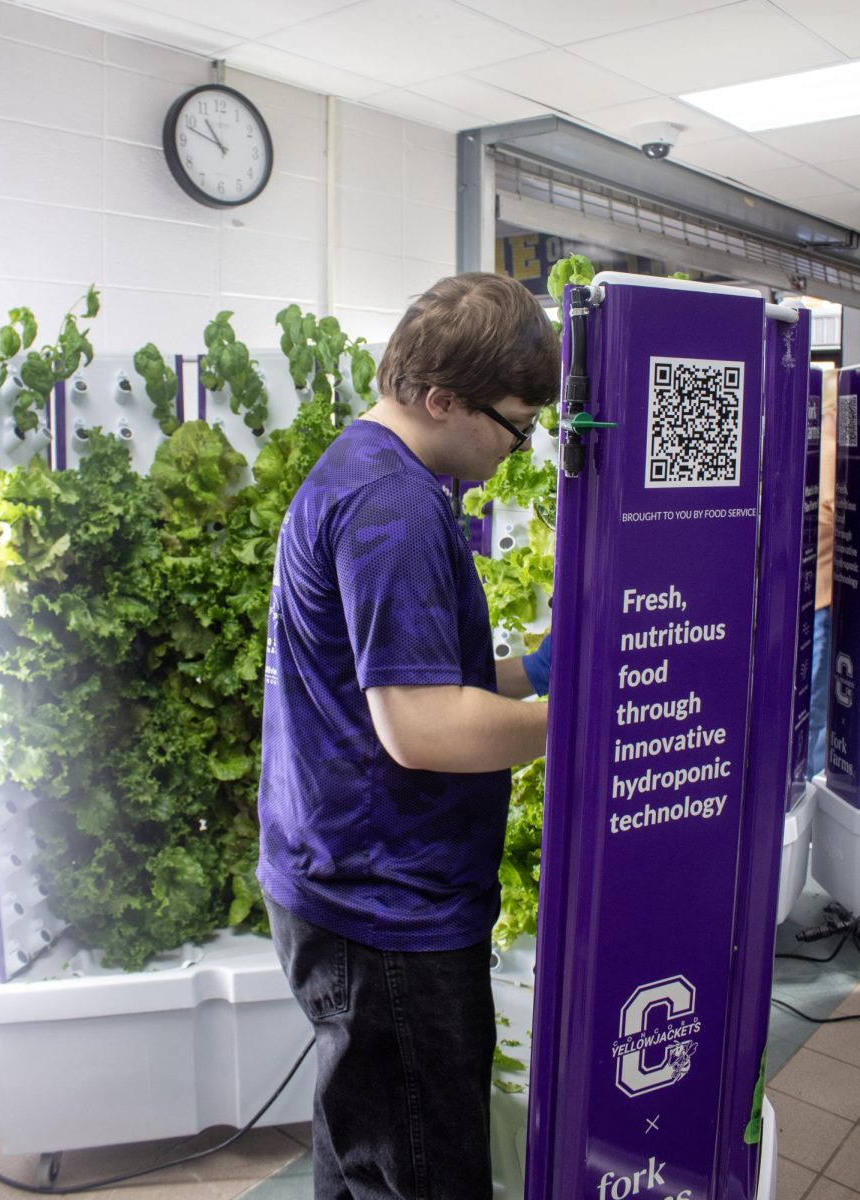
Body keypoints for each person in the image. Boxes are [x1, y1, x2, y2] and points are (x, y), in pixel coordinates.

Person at [256, 271, 559, 1199]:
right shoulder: (392, 510)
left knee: (365, 1154)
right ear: (440, 399)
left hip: (350, 884)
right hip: (386, 911)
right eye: (514, 423)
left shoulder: (375, 473)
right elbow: (424, 730)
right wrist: (584, 721)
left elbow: (417, 680)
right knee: (421, 1171)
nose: (520, 446)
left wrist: (544, 674)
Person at [808, 369, 837, 779]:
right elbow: (828, 518)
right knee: (814, 706)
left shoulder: (818, 445)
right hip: (821, 598)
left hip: (818, 596)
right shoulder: (830, 448)